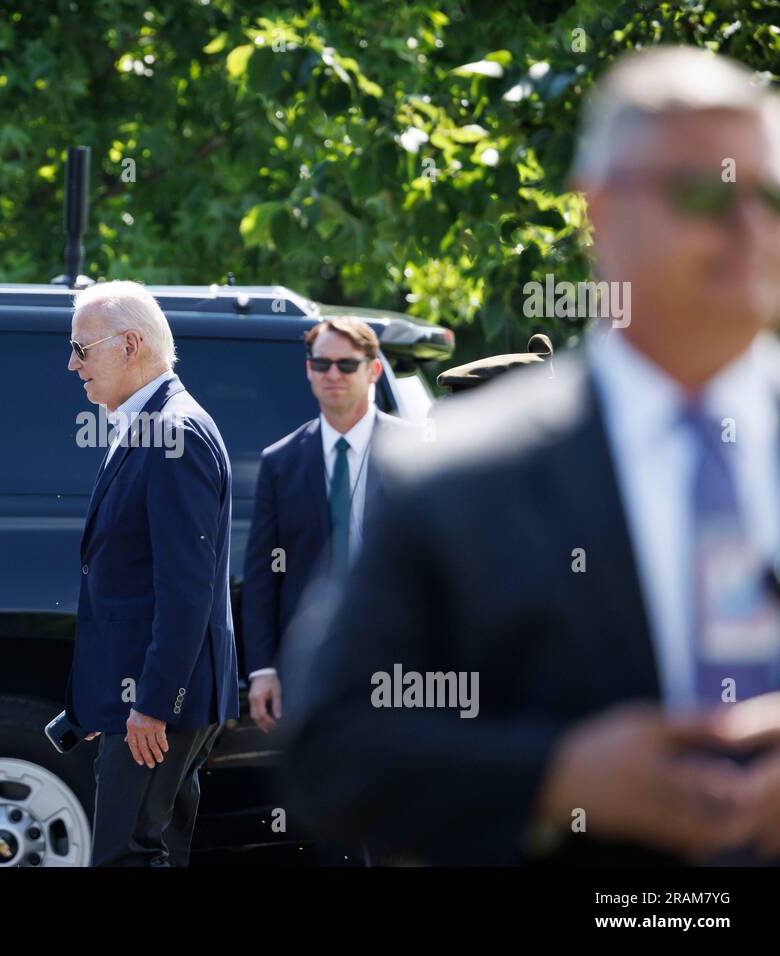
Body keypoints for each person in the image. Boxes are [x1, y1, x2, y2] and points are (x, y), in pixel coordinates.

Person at [284, 47, 780, 865]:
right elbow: (331, 746)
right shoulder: (455, 479)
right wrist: (558, 779)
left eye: (770, 196)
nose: (751, 229)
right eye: (708, 193)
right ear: (601, 209)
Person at [64, 280, 239, 866]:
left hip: (162, 703)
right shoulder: (150, 422)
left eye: (82, 348)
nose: (72, 364)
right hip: (147, 698)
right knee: (155, 850)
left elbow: (186, 589)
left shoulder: (173, 432)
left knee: (125, 856)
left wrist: (153, 703)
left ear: (131, 344)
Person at [241, 316, 414, 733]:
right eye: (322, 364)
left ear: (373, 370)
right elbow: (262, 577)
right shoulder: (281, 461)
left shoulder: (415, 451)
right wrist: (262, 669)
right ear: (309, 370)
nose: (332, 374)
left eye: (346, 364)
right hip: (312, 662)